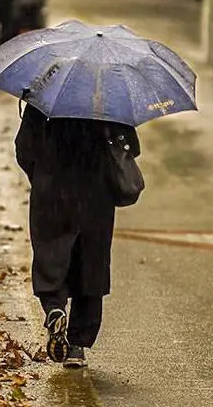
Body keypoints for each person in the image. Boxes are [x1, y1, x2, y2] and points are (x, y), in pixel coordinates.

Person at [14, 103, 141, 367]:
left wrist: (41, 177)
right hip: (96, 195)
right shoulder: (110, 101)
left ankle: (54, 308)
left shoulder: (44, 101)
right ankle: (77, 346)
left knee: (51, 255)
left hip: (51, 190)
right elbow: (130, 148)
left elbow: (24, 148)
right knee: (91, 264)